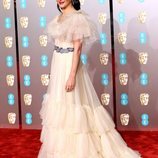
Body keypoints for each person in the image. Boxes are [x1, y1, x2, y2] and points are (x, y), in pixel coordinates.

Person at [38, 0, 142, 157]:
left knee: (73, 106)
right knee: (61, 106)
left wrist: (72, 75)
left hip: (69, 65)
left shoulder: (77, 18)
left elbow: (77, 49)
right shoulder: (58, 18)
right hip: (58, 64)